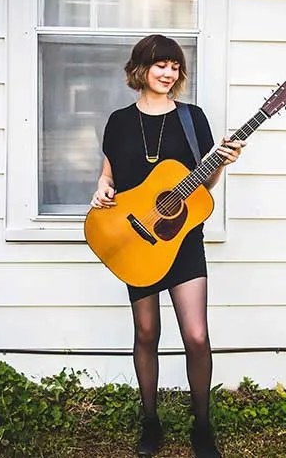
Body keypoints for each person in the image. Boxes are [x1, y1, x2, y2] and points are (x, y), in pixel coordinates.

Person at [89, 34, 246, 458]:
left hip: (182, 241)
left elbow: (200, 187)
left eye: (175, 66)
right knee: (146, 332)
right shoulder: (119, 121)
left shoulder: (193, 119)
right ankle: (151, 422)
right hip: (135, 239)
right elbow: (109, 177)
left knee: (196, 336)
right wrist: (102, 190)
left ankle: (202, 425)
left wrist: (220, 165)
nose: (168, 73)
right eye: (160, 64)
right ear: (140, 69)